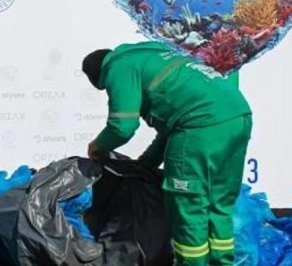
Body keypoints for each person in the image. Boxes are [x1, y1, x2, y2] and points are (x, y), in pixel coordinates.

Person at [82, 41, 252, 265]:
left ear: (99, 78)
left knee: (189, 208)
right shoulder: (150, 54)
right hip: (238, 116)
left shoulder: (118, 67)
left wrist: (98, 146)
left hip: (200, 126)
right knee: (219, 205)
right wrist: (145, 164)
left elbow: (123, 126)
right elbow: (169, 131)